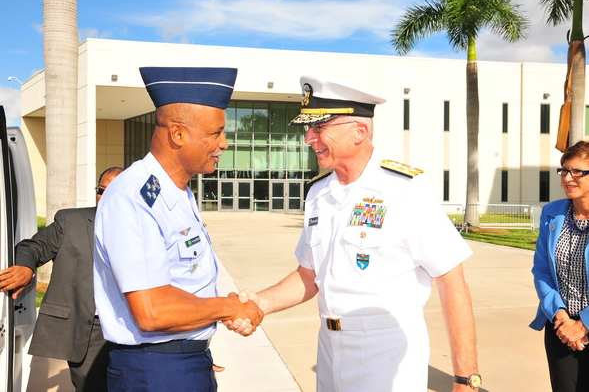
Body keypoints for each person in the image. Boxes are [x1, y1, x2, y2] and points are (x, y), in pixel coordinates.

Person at [227, 76, 481, 391]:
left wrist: (465, 377)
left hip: (385, 352)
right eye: (308, 129)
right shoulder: (319, 193)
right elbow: (310, 275)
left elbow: (451, 280)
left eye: (319, 128)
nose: (309, 139)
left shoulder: (404, 190)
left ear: (358, 131)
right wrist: (258, 304)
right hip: (329, 346)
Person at [93, 66, 264, 392]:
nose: (224, 144)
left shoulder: (177, 192)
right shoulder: (134, 196)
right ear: (178, 134)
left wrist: (218, 305)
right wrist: (228, 307)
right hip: (155, 369)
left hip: (183, 363)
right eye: (216, 133)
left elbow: (181, 279)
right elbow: (153, 310)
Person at [0, 166, 123, 392]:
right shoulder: (71, 221)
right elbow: (33, 246)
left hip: (134, 326)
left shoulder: (147, 225)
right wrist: (26, 267)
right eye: (101, 190)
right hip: (90, 328)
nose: (105, 197)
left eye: (115, 190)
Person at [531, 140, 589, 392]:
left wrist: (583, 324)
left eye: (577, 171)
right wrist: (561, 316)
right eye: (564, 170)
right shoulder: (553, 213)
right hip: (561, 326)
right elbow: (542, 270)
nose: (567, 178)